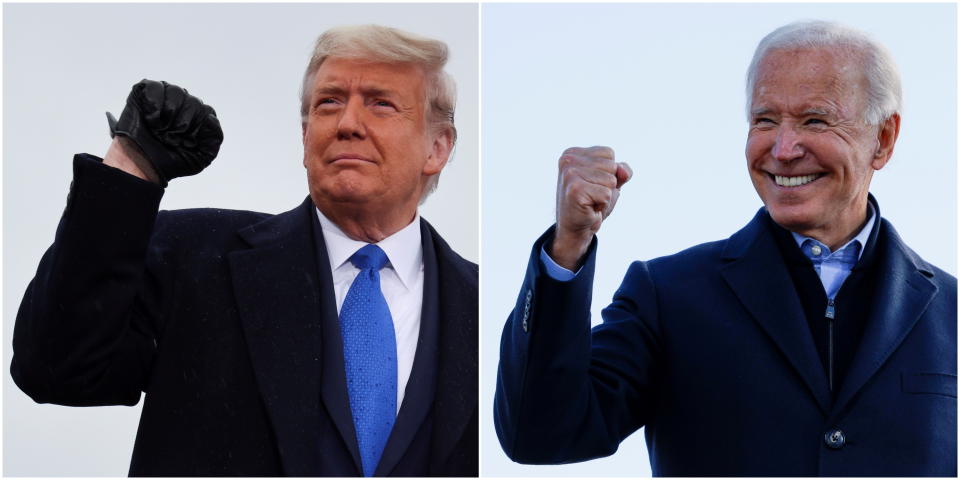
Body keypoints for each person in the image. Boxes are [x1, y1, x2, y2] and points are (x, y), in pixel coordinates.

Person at [11, 25, 477, 477]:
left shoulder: (486, 306)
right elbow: (55, 369)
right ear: (304, 137)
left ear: (437, 147)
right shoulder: (195, 256)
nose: (347, 123)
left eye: (380, 104)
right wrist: (131, 167)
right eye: (329, 102)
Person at [494, 20, 955, 476]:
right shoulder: (669, 295)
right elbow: (540, 434)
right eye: (765, 120)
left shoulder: (951, 314)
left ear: (884, 139)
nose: (784, 147)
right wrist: (568, 245)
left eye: (815, 119)